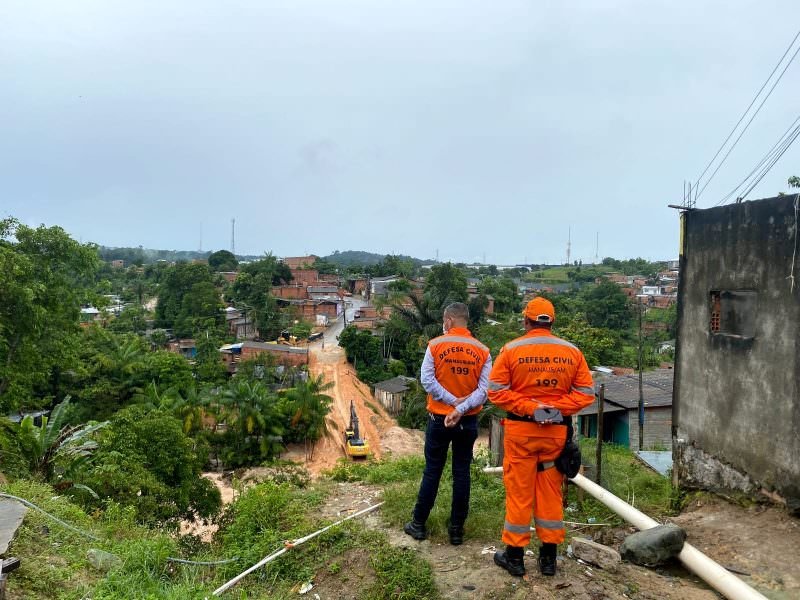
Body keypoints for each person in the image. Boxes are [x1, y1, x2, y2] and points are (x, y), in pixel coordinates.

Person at [488, 297, 594, 577]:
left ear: (526, 321)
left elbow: (496, 391)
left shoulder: (511, 350)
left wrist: (532, 408)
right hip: (555, 434)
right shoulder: (572, 352)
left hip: (521, 433)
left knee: (519, 493)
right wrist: (555, 409)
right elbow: (585, 394)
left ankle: (515, 559)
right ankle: (548, 560)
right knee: (550, 494)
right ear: (552, 322)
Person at [404, 302, 492, 545]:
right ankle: (456, 531)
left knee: (433, 470)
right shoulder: (483, 350)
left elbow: (427, 381)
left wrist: (452, 404)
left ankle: (418, 524)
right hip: (468, 422)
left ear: (449, 321)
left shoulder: (435, 345)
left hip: (439, 419)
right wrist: (461, 407)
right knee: (461, 472)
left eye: (444, 320)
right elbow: (485, 390)